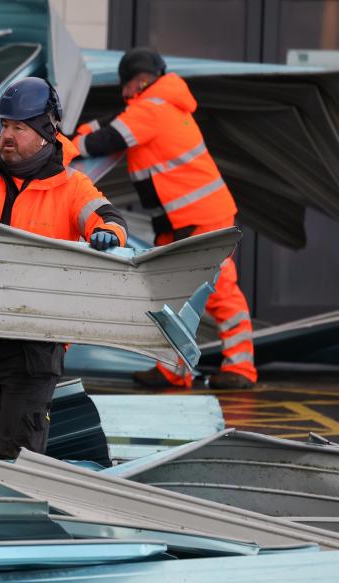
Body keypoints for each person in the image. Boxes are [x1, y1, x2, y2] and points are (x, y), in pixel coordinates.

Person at [0, 77, 127, 459]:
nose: (7, 135)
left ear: (45, 132)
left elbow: (107, 217)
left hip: (34, 339)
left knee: (19, 450)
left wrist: (108, 234)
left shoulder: (72, 186)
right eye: (4, 125)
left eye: (19, 127)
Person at [71, 47, 257, 390]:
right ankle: (174, 369)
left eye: (125, 86)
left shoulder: (151, 111)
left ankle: (240, 368)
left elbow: (104, 140)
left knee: (219, 291)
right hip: (186, 220)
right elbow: (113, 121)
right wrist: (82, 130)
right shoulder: (156, 107)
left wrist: (71, 144)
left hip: (199, 219)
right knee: (172, 295)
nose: (123, 93)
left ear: (140, 81)